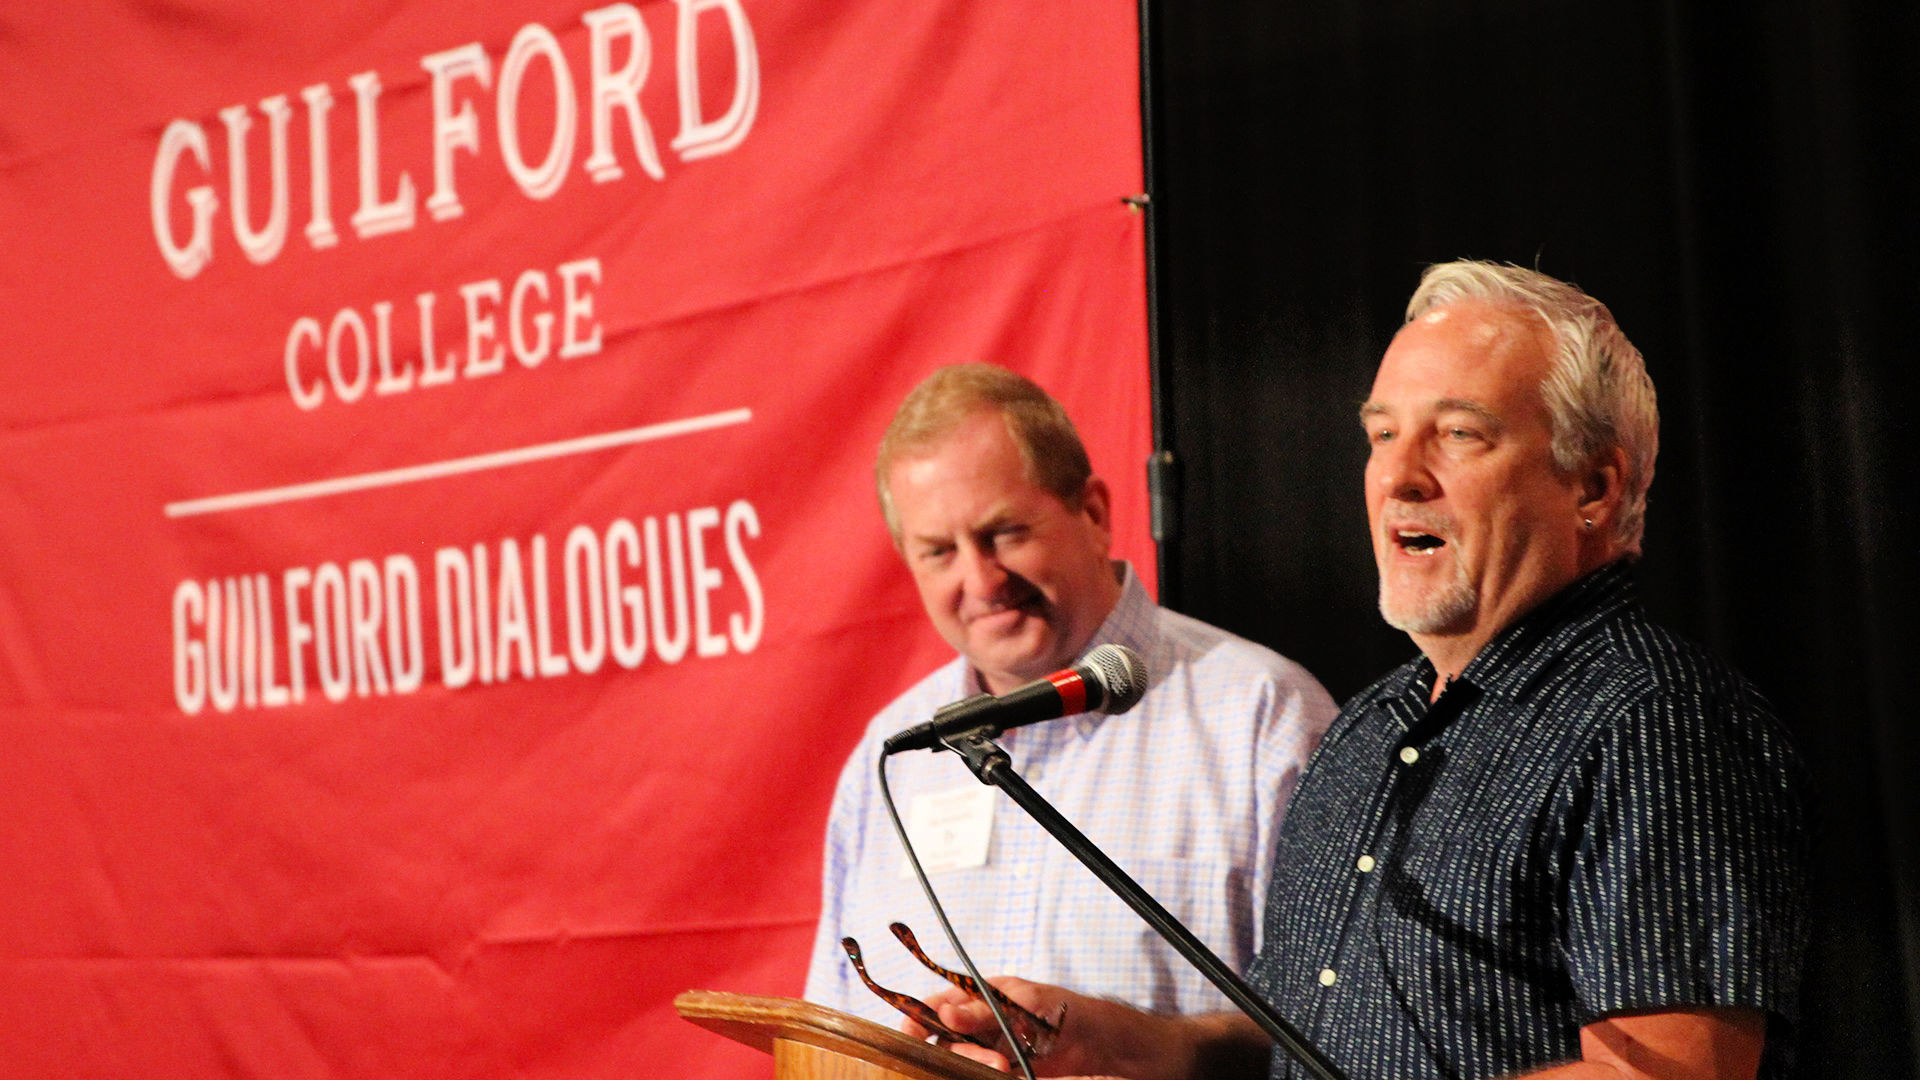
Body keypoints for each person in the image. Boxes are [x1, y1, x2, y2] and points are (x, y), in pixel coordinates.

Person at [912, 263, 1810, 1080]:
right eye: (1382, 434)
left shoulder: (1650, 719)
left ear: (1594, 487)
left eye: (1459, 434)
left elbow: (1671, 1075)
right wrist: (1129, 1042)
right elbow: (1301, 1041)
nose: (1399, 478)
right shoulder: (1370, 729)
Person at [804, 364, 1338, 1026]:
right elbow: (832, 1029)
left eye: (1004, 533)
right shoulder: (893, 755)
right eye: (939, 552)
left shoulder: (1262, 715)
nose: (981, 579)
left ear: (1093, 513)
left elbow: (1337, 1029)